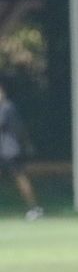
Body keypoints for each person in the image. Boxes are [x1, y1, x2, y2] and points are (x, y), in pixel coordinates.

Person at [0, 83, 42, 221]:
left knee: (20, 178)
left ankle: (34, 208)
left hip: (8, 151)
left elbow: (18, 128)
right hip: (6, 150)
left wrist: (26, 144)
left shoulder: (7, 108)